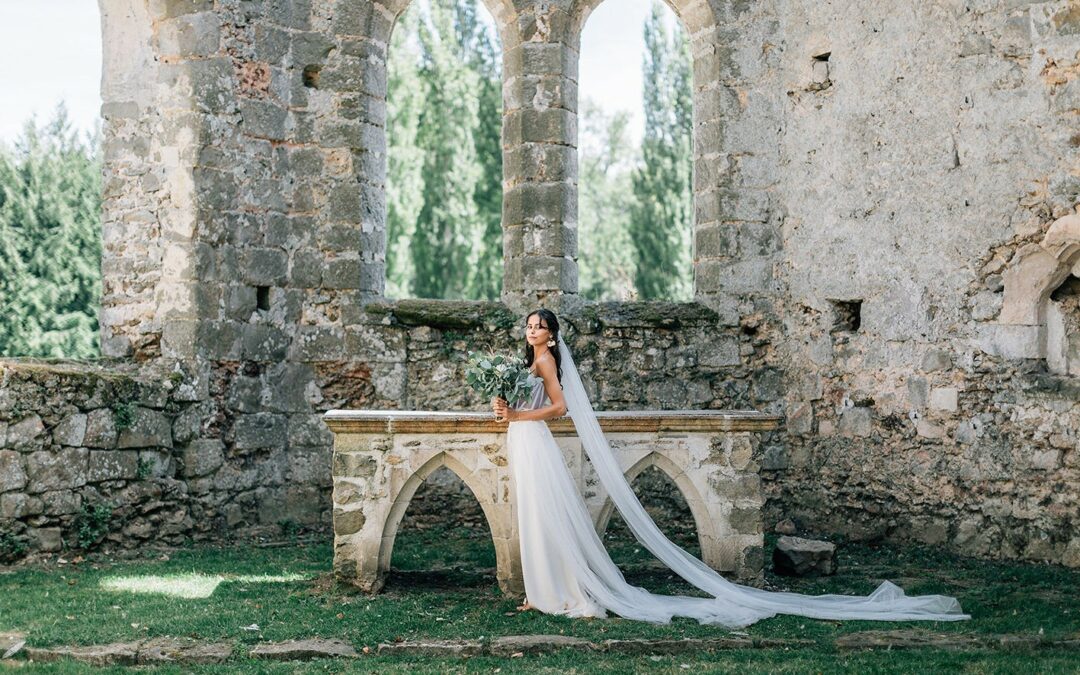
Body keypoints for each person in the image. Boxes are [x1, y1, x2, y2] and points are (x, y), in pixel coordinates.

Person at [491, 309, 969, 626]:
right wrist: (503, 406)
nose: (531, 329)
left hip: (534, 440)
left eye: (538, 325)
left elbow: (559, 410)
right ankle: (539, 591)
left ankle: (558, 592)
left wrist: (517, 416)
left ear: (552, 334)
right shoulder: (525, 363)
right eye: (529, 324)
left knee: (544, 516)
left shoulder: (549, 363)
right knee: (532, 518)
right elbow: (524, 403)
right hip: (523, 439)